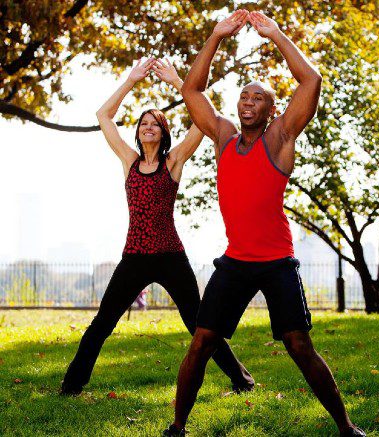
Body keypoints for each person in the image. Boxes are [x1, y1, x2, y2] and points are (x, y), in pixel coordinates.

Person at [162, 10, 365, 437]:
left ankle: (346, 428)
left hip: (276, 262)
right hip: (235, 261)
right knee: (201, 342)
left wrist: (276, 34)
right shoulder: (223, 138)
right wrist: (216, 35)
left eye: (257, 98)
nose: (247, 103)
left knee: (299, 345)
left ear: (271, 110)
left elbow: (311, 82)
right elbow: (191, 89)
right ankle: (177, 428)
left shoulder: (279, 139)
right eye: (243, 97)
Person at [60, 58, 254, 396]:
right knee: (102, 323)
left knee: (200, 326)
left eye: (155, 124)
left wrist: (180, 82)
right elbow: (103, 116)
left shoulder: (174, 161)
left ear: (164, 132)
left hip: (170, 256)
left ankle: (242, 380)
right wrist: (131, 79)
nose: (148, 127)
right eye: (143, 123)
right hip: (134, 257)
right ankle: (72, 385)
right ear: (137, 131)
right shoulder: (128, 160)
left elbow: (204, 120)